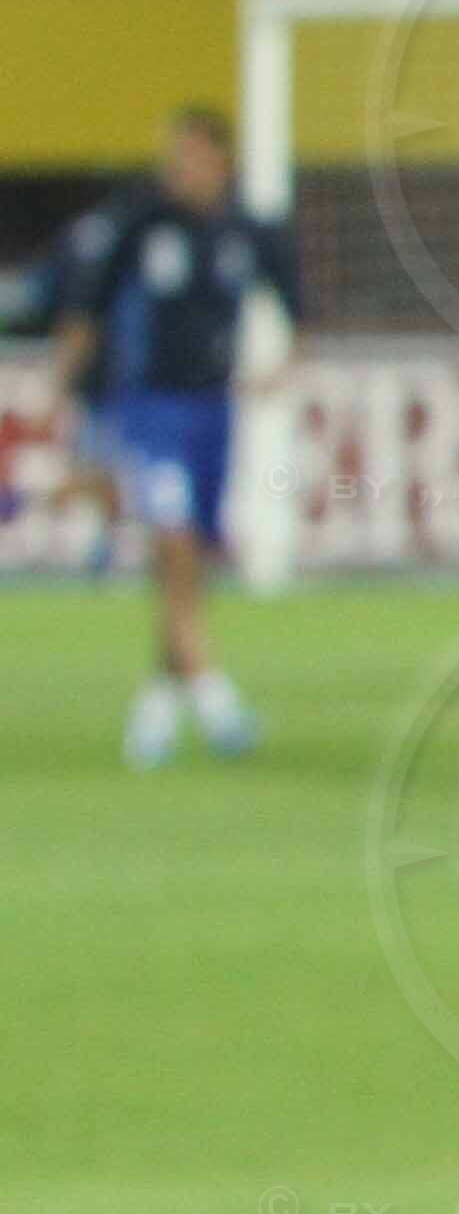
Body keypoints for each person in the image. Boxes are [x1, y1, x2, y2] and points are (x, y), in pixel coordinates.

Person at [42, 105, 293, 767]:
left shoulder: (250, 232)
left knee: (189, 564)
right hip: (151, 408)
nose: (176, 170)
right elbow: (85, 308)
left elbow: (298, 311)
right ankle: (213, 696)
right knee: (174, 542)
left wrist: (280, 368)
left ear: (220, 160)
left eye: (188, 156)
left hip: (217, 411)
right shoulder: (141, 222)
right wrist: (58, 392)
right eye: (171, 157)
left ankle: (155, 707)